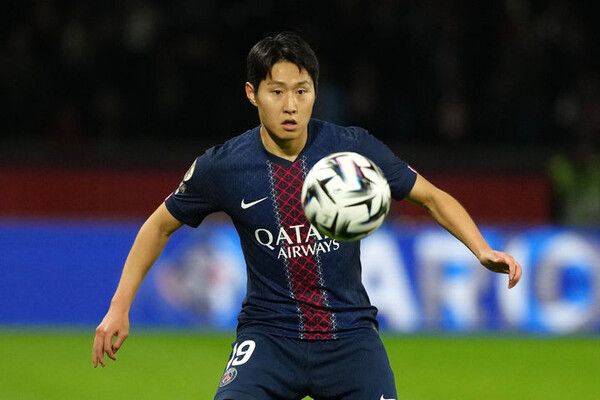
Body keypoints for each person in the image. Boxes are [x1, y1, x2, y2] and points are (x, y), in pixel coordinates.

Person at [92, 31, 522, 399]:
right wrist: (119, 306)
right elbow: (159, 225)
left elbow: (431, 197)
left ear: (316, 91)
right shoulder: (223, 167)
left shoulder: (352, 149)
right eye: (277, 91)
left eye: (302, 91)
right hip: (268, 339)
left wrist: (481, 249)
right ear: (252, 93)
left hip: (350, 338)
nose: (291, 105)